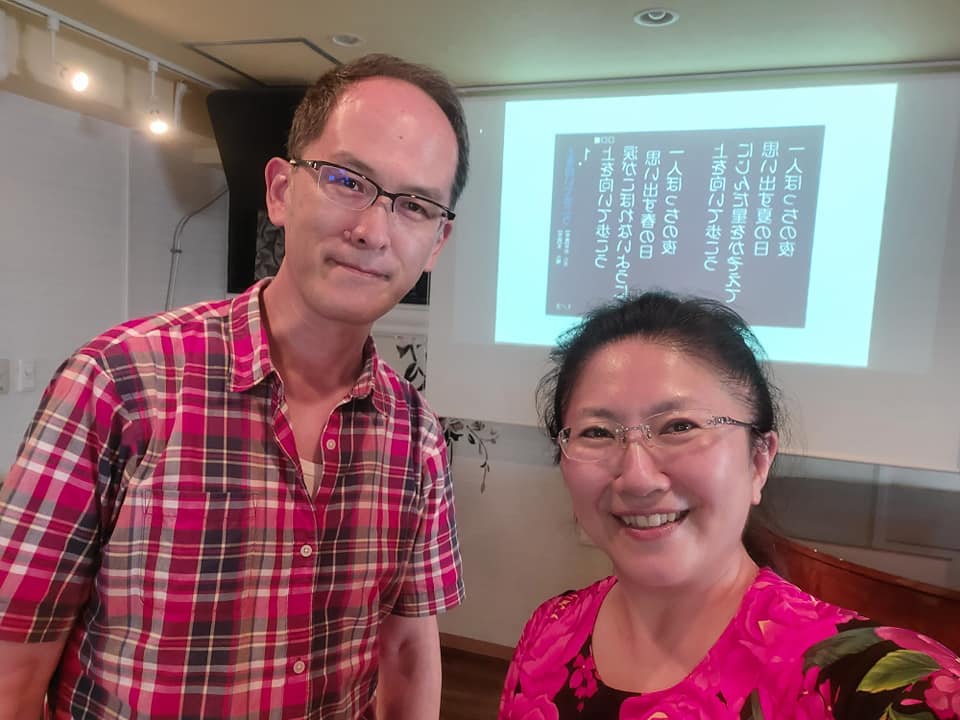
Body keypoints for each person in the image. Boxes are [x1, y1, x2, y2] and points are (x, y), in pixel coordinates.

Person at [0, 53, 468, 719]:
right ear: (279, 191)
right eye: (347, 180)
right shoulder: (118, 383)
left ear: (438, 242)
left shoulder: (416, 434)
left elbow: (406, 649)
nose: (372, 231)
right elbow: (14, 665)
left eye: (414, 205)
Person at [499, 292, 960, 719]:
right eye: (597, 432)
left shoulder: (882, 687)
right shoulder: (551, 631)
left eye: (679, 426)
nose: (637, 477)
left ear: (758, 461)